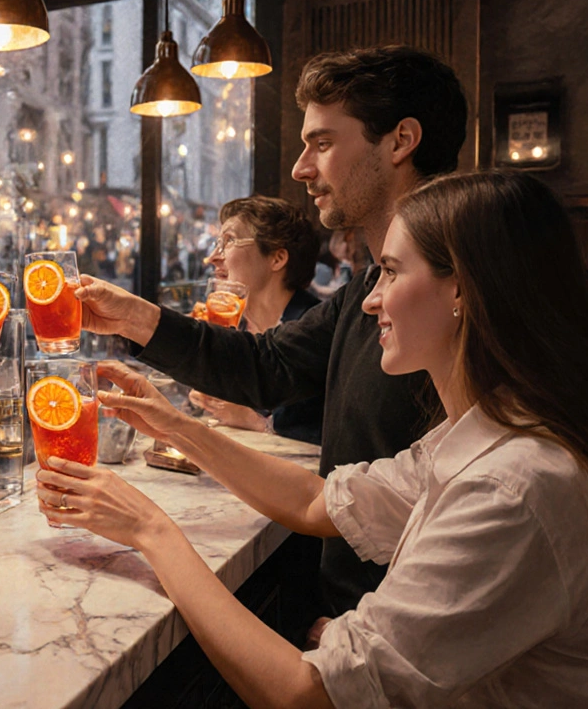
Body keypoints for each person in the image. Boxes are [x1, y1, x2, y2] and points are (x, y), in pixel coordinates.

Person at [38, 172, 588, 707]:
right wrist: (177, 428)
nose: (370, 300)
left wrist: (150, 530)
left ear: (463, 289)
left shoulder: (513, 487)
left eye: (391, 273)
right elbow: (316, 500)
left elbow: (310, 695)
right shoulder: (482, 437)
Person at [75, 45, 468, 616]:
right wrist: (135, 318)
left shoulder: (491, 294)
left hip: (409, 632)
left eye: (322, 143)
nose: (300, 169)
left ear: (401, 141)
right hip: (351, 616)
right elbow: (267, 365)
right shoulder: (361, 292)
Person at [187, 196, 324, 444]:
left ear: (277, 259)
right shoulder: (235, 328)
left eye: (229, 241)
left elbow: (331, 429)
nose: (212, 257)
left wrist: (258, 422)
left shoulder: (317, 330)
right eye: (218, 243)